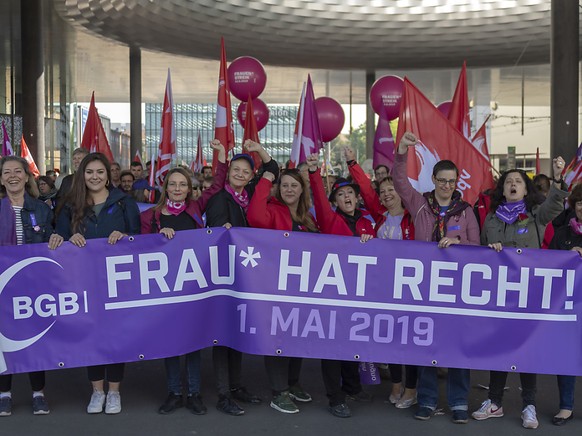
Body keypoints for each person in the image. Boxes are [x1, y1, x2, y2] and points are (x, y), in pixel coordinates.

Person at [472, 158, 568, 429]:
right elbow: (480, 251)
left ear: (526, 190)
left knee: (527, 349)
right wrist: (491, 250)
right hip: (500, 293)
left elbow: (555, 205)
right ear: (502, 190)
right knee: (499, 346)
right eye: (508, 182)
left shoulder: (536, 213)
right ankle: (494, 402)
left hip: (529, 292)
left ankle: (529, 405)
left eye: (518, 182)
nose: (513, 185)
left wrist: (558, 179)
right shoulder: (491, 218)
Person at [393, 131, 480, 424]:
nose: (446, 185)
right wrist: (402, 151)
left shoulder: (465, 212)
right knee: (426, 344)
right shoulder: (418, 203)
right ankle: (427, 401)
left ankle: (458, 403)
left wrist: (458, 244)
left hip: (456, 289)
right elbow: (399, 181)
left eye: (451, 181)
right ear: (433, 180)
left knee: (457, 347)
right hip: (423, 286)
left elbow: (477, 250)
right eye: (441, 180)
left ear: (457, 183)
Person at [140, 139, 227, 415]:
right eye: (173, 184)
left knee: (192, 342)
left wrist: (221, 158)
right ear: (166, 188)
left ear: (189, 189)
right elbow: (140, 250)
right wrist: (158, 238)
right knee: (170, 341)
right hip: (164, 289)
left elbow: (216, 186)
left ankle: (194, 393)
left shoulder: (194, 209)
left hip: (193, 287)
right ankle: (175, 392)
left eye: (183, 185)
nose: (178, 189)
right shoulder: (151, 217)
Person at [55, 152, 141, 415]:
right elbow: (58, 235)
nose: (95, 177)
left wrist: (125, 235)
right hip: (84, 283)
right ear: (82, 175)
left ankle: (114, 392)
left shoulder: (125, 203)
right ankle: (97, 391)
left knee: (115, 337)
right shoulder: (71, 205)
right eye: (89, 172)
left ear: (108, 175)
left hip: (117, 284)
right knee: (91, 336)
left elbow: (140, 239)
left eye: (100, 172)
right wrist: (67, 239)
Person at [205, 140, 278, 416]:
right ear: (229, 171)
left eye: (245, 171)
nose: (239, 174)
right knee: (223, 335)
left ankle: (236, 386)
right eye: (235, 169)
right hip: (224, 276)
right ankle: (223, 394)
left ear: (250, 176)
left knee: (238, 331)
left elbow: (273, 168)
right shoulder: (218, 199)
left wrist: (258, 148)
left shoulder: (250, 193)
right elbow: (214, 233)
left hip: (247, 275)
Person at [344, 146, 417, 409]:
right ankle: (396, 383)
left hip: (410, 289)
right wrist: (352, 162)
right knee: (392, 339)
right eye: (383, 192)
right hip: (384, 290)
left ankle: (411, 389)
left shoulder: (415, 219)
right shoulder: (379, 218)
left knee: (411, 341)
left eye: (391, 190)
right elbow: (365, 188)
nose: (386, 195)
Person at [306, 152, 375, 418]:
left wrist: (354, 166)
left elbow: (371, 193)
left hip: (361, 293)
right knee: (332, 347)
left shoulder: (369, 221)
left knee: (353, 341)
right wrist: (313, 173)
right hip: (334, 292)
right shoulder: (329, 219)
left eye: (351, 194)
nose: (347, 198)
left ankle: (353, 387)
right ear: (335, 201)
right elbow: (319, 199)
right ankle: (336, 398)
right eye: (341, 195)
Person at [247, 165, 319, 415]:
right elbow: (254, 216)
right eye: (285, 185)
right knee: (278, 337)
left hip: (302, 289)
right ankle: (279, 392)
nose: (289, 189)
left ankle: (292, 382)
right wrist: (266, 180)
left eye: (294, 185)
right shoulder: (273, 211)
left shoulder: (308, 217)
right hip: (276, 287)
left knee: (296, 336)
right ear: (279, 189)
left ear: (301, 190)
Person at [0, 156, 62, 417]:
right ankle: (4, 395)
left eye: (17, 171)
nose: (12, 176)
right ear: (2, 179)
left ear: (27, 177)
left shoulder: (42, 209)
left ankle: (38, 394)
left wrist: (57, 237)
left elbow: (52, 237)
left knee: (36, 339)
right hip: (4, 286)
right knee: (3, 341)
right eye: (6, 172)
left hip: (34, 285)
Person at [548, 183, 582, 426]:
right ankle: (566, 407)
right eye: (580, 203)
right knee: (567, 356)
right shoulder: (562, 233)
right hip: (568, 305)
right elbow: (549, 266)